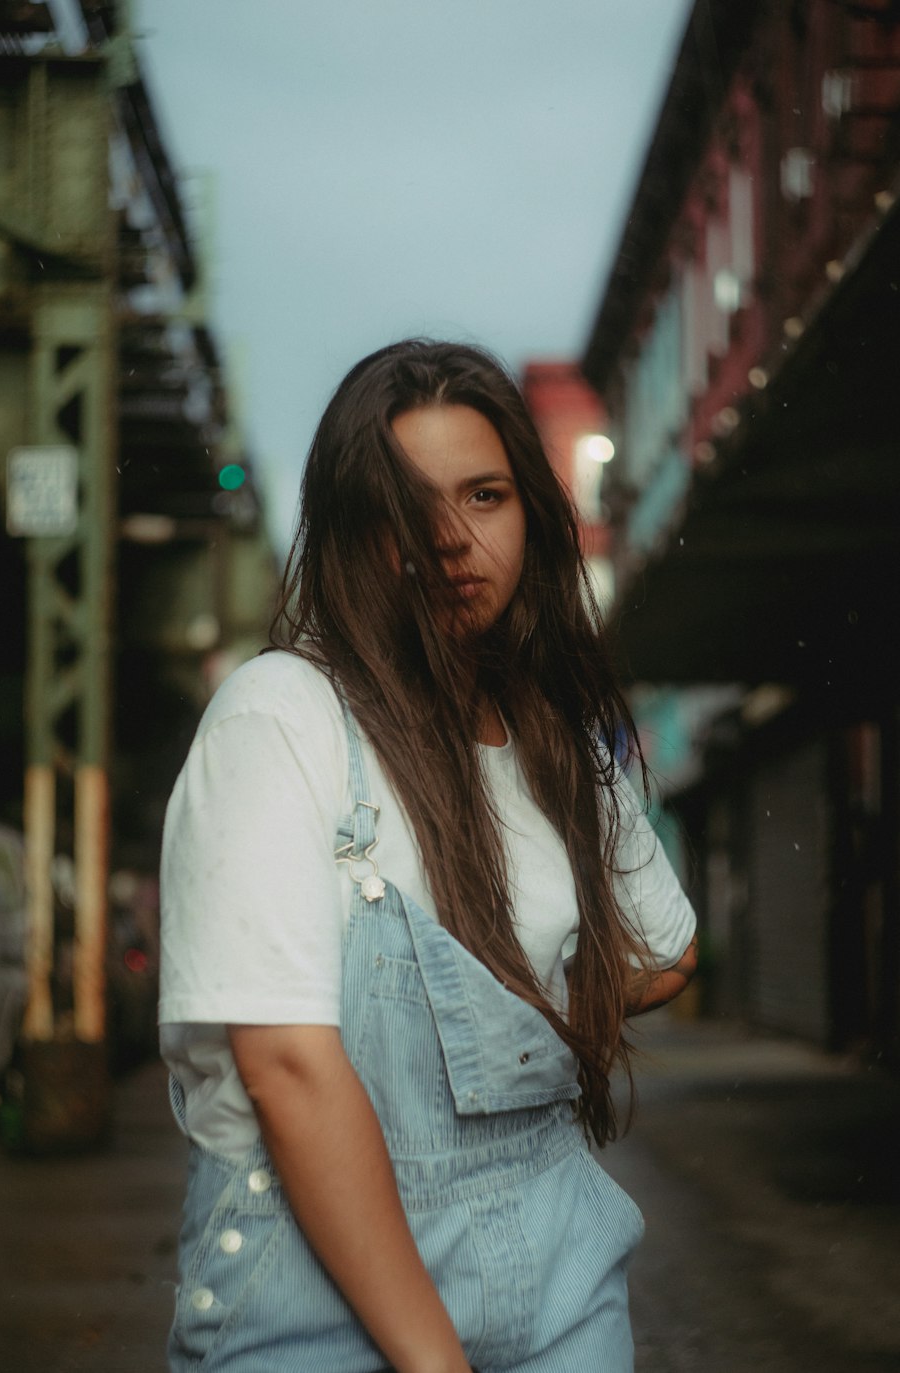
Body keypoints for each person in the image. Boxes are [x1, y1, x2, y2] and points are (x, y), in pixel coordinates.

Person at [159, 339, 697, 1373]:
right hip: (310, 1296)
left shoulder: (560, 740)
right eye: (406, 509)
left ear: (530, 510)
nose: (451, 539)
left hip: (558, 1279)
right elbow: (285, 1064)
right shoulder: (283, 716)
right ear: (353, 532)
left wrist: (534, 1002)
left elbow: (665, 949)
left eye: (484, 494)